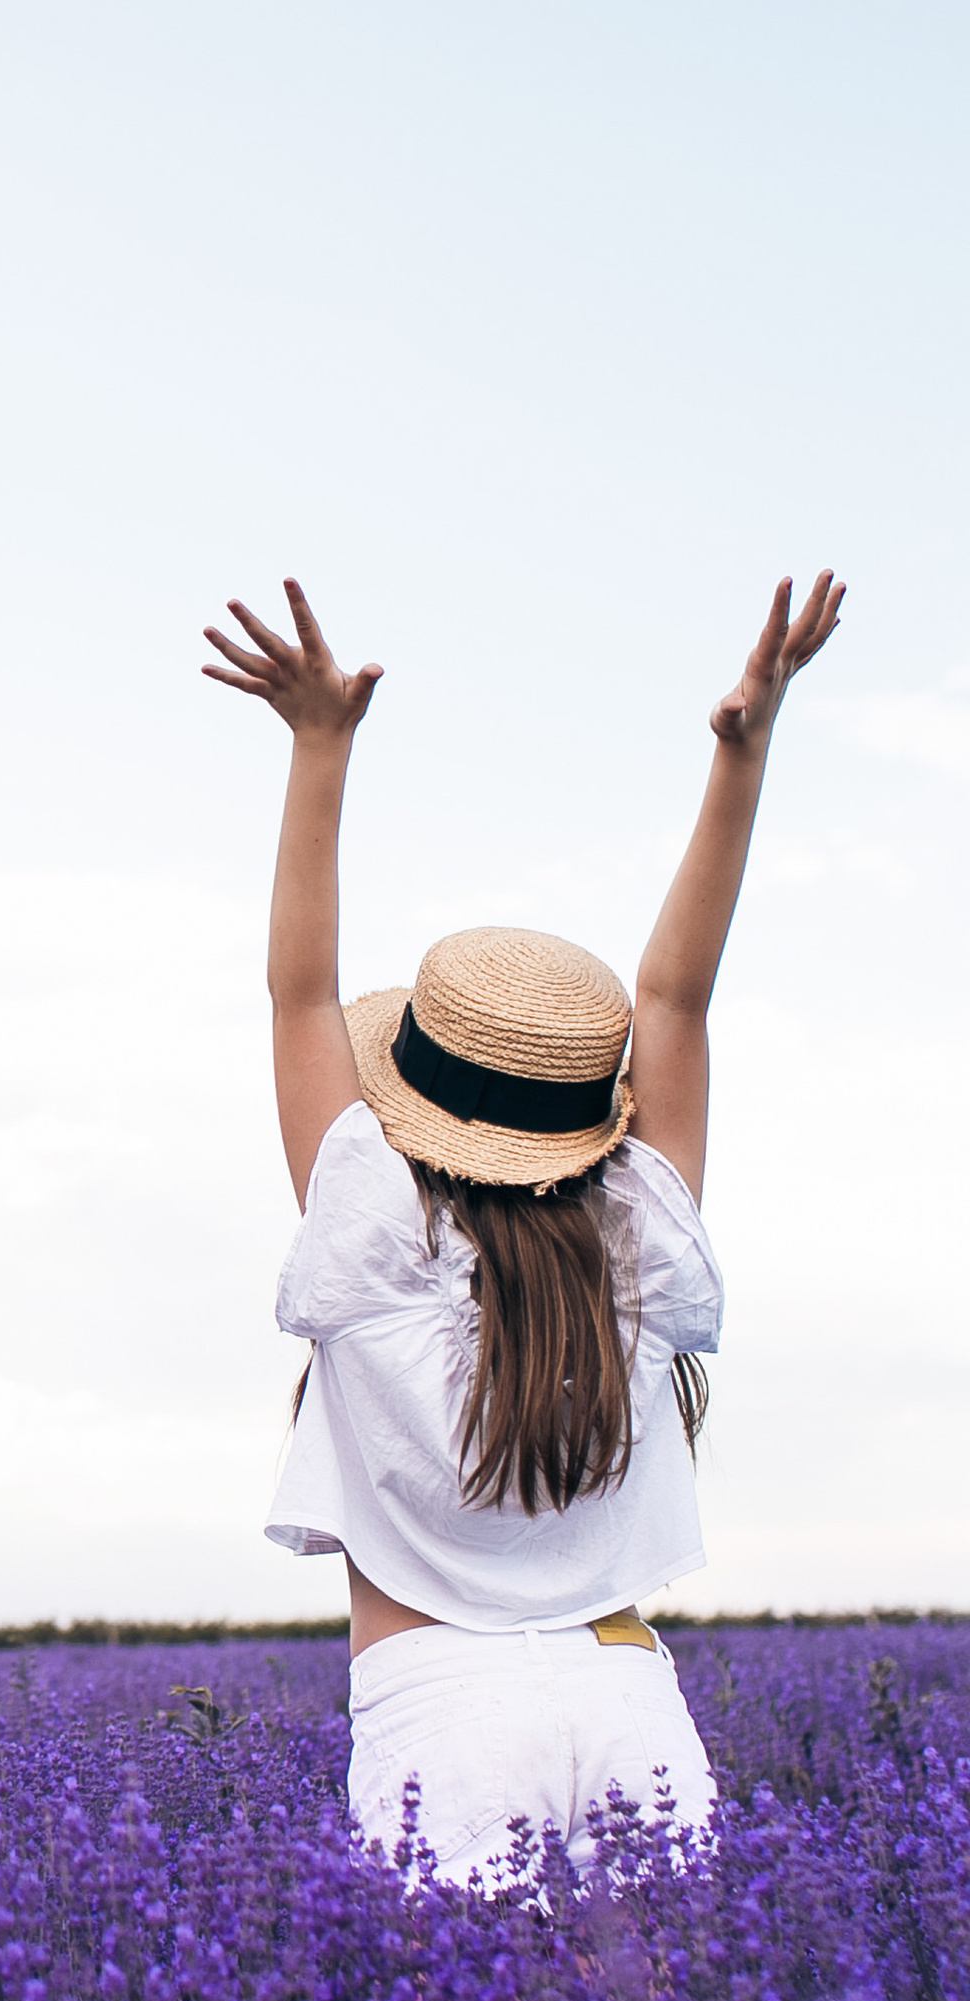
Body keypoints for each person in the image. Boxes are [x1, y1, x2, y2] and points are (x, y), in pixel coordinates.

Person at [202, 570, 844, 1884]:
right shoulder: (633, 1242)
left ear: (415, 1102)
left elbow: (297, 991)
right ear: (585, 1114)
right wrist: (745, 750)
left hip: (438, 1714)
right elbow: (677, 997)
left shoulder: (370, 1239)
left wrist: (320, 749)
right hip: (632, 1708)